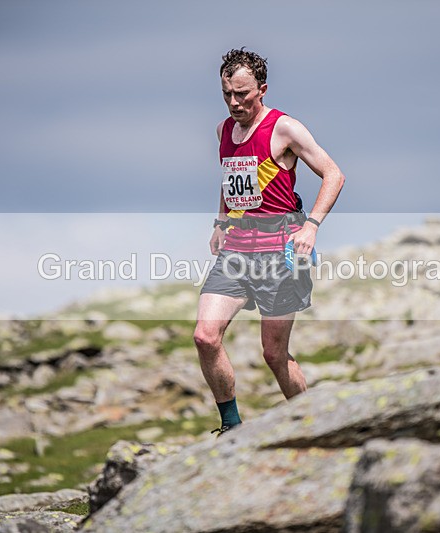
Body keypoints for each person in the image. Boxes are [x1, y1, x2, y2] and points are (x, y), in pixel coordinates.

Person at [194, 48, 345, 436]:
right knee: (205, 337)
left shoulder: (285, 128)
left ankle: (317, 428)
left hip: (281, 251)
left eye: (242, 94)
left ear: (262, 89)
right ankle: (232, 427)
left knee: (274, 354)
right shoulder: (223, 131)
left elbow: (333, 175)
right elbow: (234, 176)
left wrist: (311, 225)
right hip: (237, 251)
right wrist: (221, 220)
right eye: (227, 93)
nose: (234, 102)